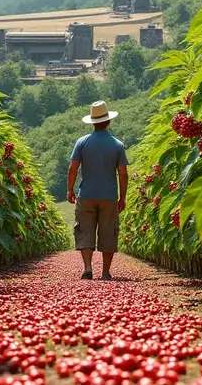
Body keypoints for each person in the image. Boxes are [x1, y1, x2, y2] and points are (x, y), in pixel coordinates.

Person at [67, 100, 129, 280]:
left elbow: (73, 168)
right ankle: (106, 271)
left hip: (86, 194)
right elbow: (123, 173)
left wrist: (70, 190)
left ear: (93, 122)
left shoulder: (82, 142)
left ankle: (87, 267)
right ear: (108, 122)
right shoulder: (117, 145)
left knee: (85, 230)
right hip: (109, 196)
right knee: (108, 231)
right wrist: (122, 197)